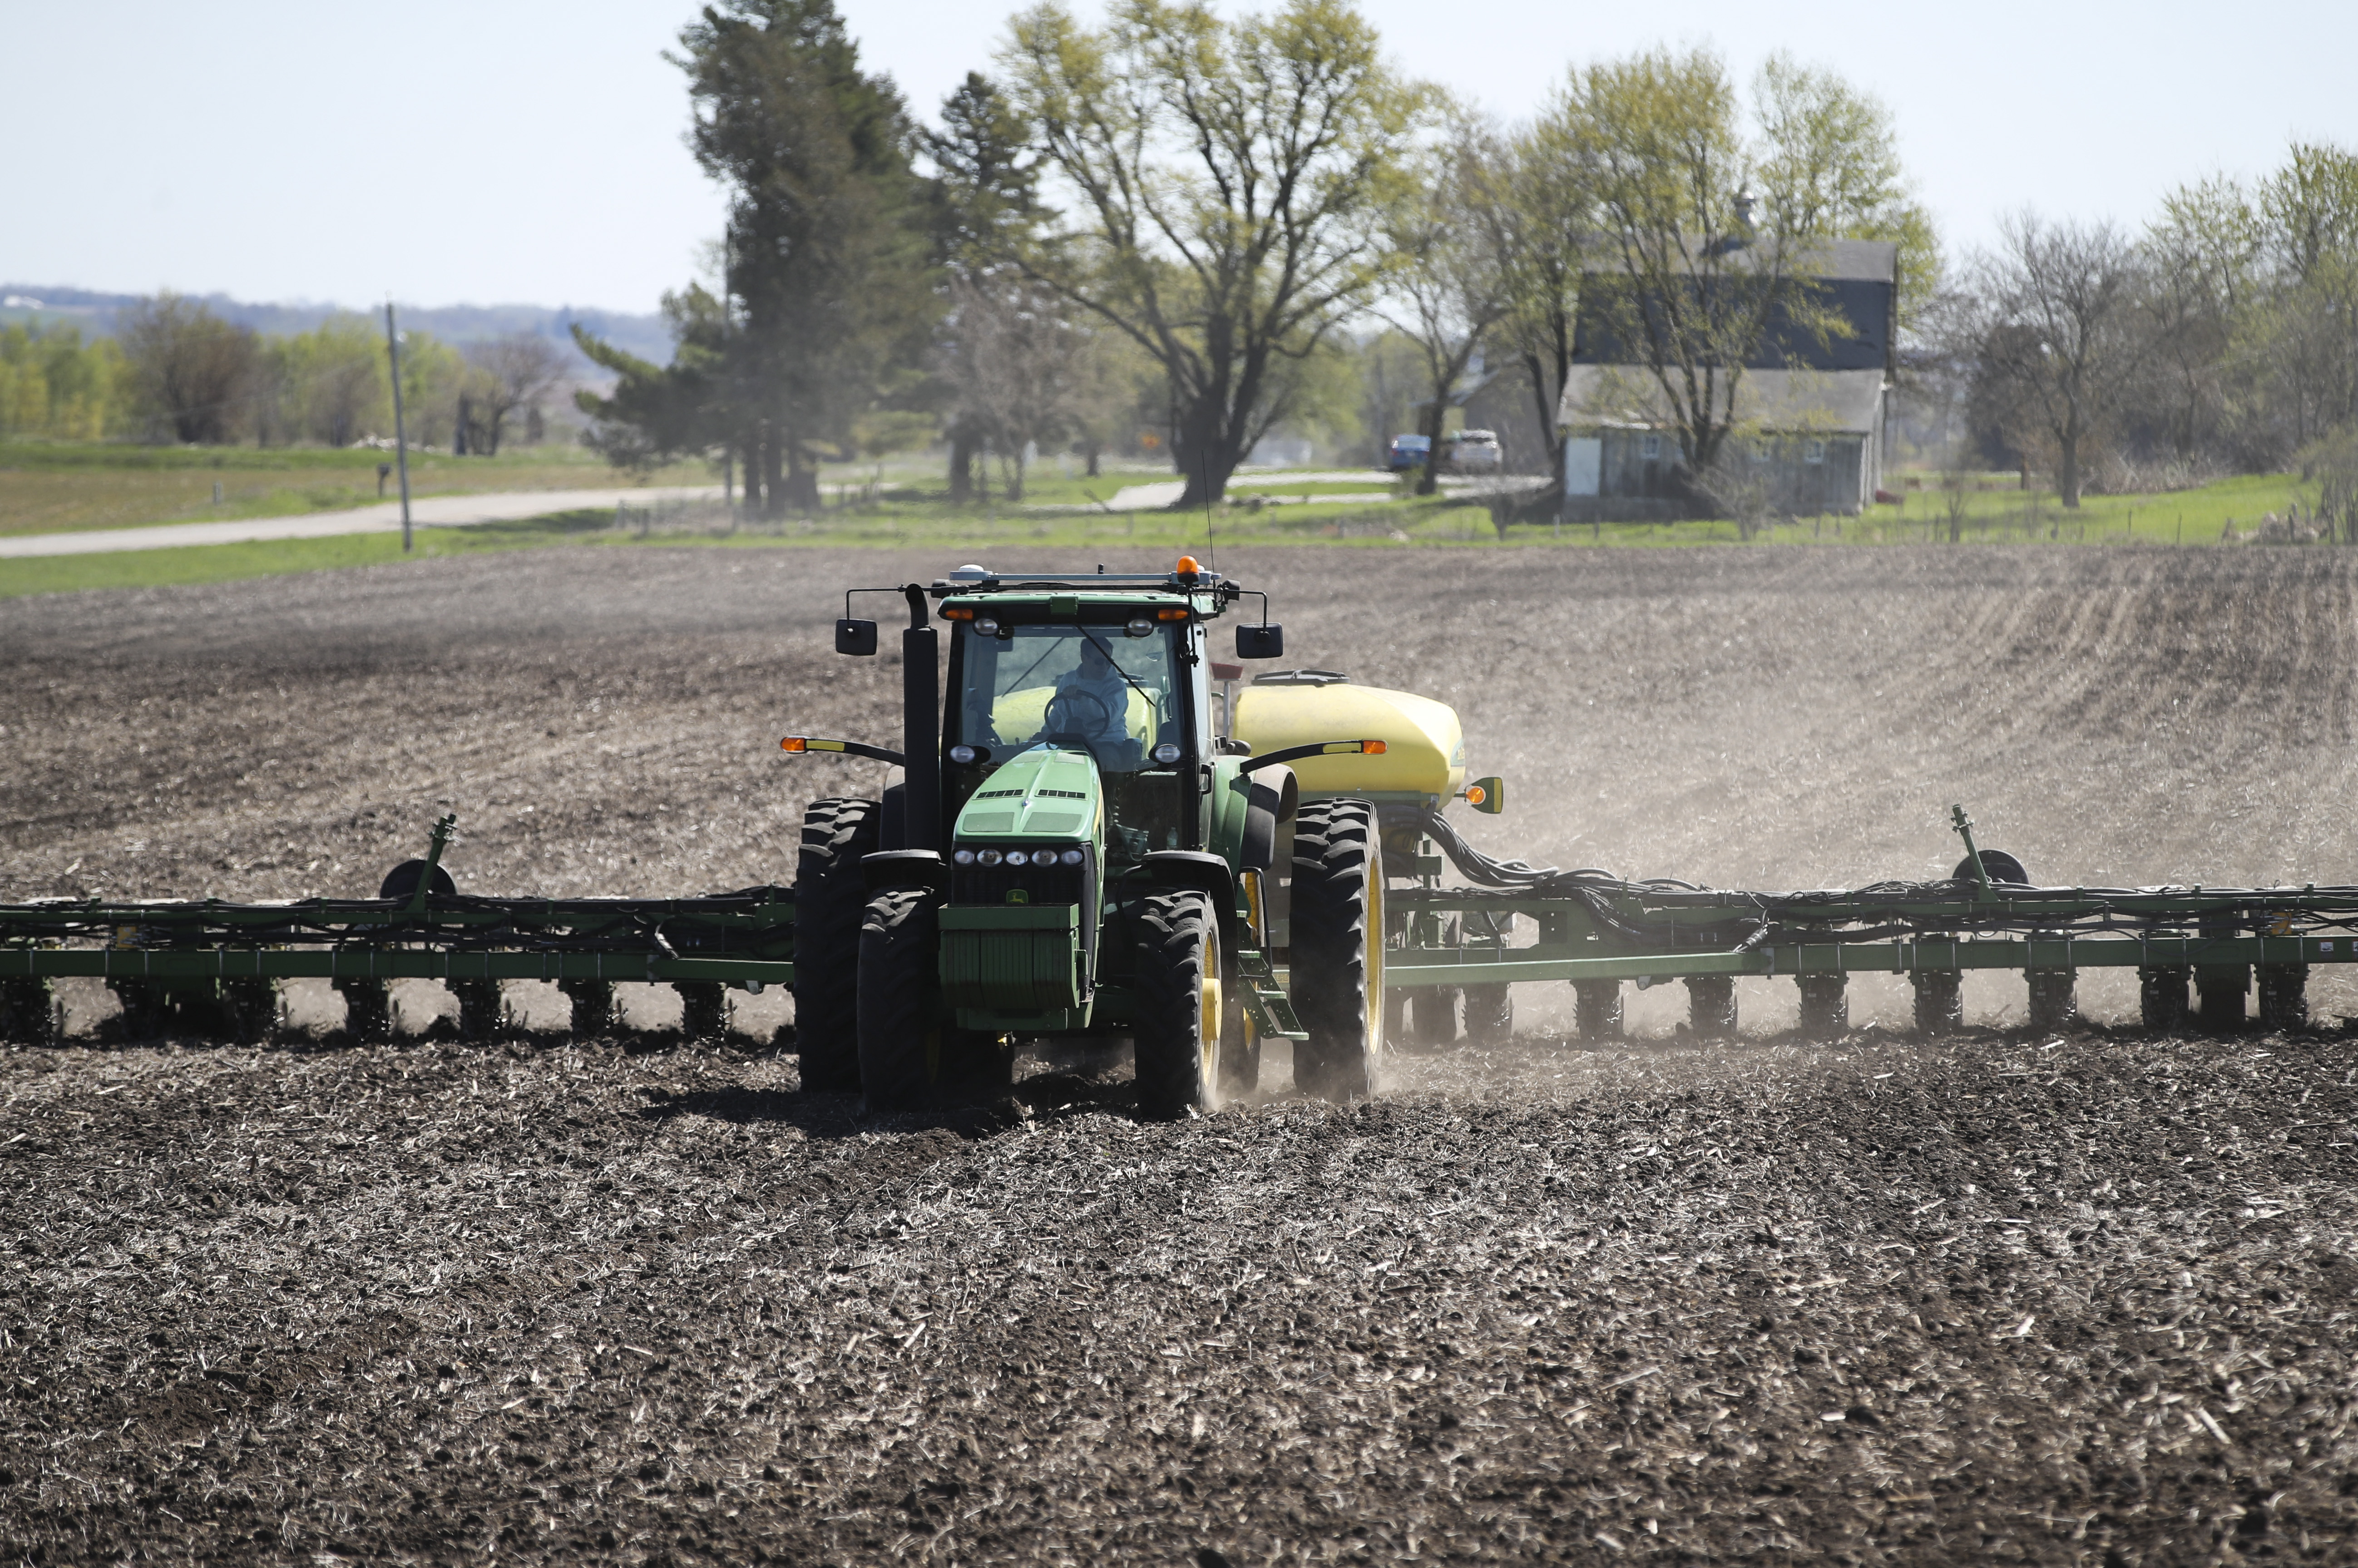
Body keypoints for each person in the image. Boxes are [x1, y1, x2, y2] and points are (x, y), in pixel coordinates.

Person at [1046, 637, 1136, 756]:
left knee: (1106, 763)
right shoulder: (1069, 679)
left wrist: (1083, 699)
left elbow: (1110, 716)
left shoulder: (1117, 687)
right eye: (1099, 662)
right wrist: (1045, 734)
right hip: (1068, 742)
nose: (1104, 666)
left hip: (1106, 744)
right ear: (1084, 658)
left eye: (1108, 662)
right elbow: (1058, 712)